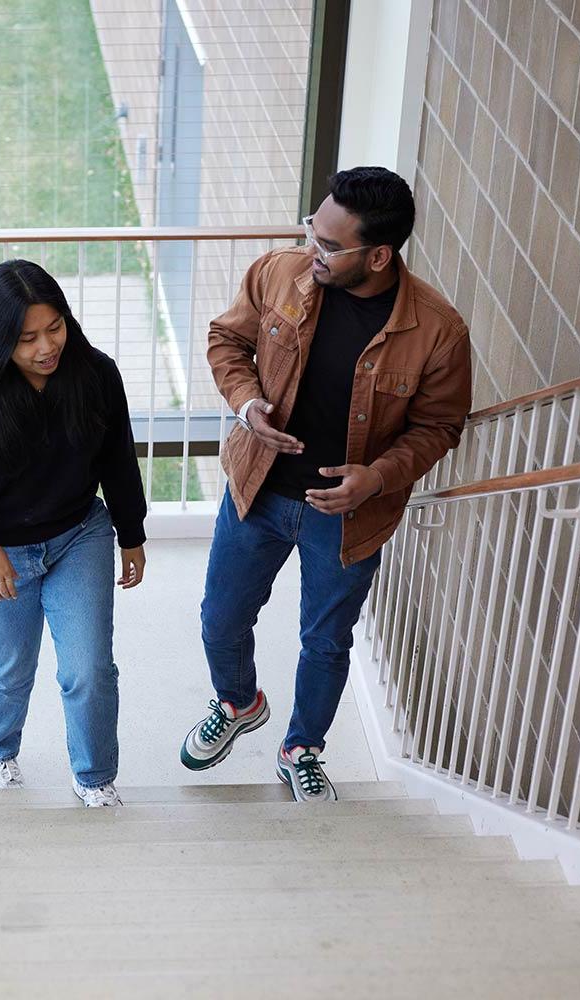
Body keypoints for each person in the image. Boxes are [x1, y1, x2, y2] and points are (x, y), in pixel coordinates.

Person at [180, 166, 472, 801]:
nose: (313, 247)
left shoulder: (438, 331)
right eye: (314, 228)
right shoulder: (279, 273)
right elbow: (227, 338)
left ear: (378, 256)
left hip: (347, 514)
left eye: (331, 245)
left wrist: (378, 478)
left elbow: (441, 425)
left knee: (325, 641)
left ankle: (301, 748)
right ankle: (236, 703)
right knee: (220, 620)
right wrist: (246, 403)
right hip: (256, 487)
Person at [0, 259, 148, 807]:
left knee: (89, 667)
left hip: (78, 534)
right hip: (0, 550)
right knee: (10, 666)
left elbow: (117, 459)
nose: (47, 347)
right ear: (1, 340)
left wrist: (131, 532)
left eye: (55, 328)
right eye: (27, 338)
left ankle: (95, 779)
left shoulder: (95, 375)